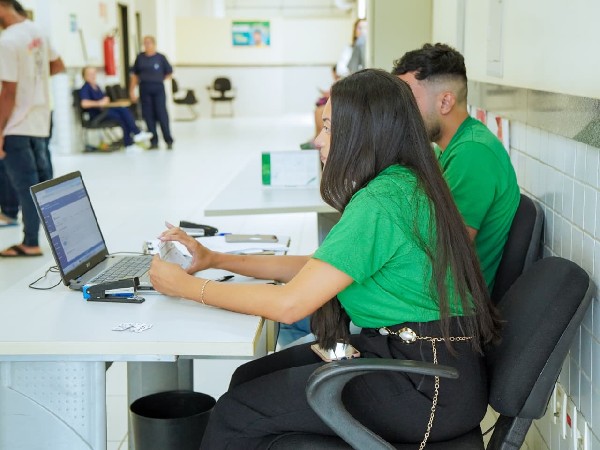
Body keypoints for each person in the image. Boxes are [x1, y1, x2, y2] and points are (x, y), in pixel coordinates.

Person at [149, 69, 501, 448]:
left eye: (329, 128)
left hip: (426, 388)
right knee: (249, 379)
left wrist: (187, 287)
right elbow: (317, 269)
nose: (318, 140)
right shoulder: (401, 183)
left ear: (363, 132)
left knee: (237, 412)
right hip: (422, 363)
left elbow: (289, 305)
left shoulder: (382, 201)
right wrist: (215, 259)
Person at [392, 43, 520, 290]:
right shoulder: (448, 148)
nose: (402, 111)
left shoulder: (473, 152)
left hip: (451, 301)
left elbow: (443, 250)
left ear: (445, 102)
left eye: (409, 100)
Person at [0, 0, 64, 257]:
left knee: (25, 186)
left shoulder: (8, 40)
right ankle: (60, 241)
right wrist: (34, 81)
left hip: (17, 124)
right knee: (43, 185)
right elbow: (58, 65)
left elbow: (8, 92)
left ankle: (30, 242)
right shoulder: (38, 31)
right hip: (41, 122)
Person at [79, 66, 152, 151]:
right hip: (98, 116)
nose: (93, 76)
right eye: (90, 74)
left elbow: (104, 98)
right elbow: (84, 103)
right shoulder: (85, 88)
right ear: (84, 76)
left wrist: (105, 100)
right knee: (122, 114)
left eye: (94, 73)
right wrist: (99, 103)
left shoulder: (96, 87)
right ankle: (134, 136)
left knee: (123, 112)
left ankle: (131, 142)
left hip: (105, 112)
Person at [129, 35, 174, 150]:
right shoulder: (140, 58)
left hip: (158, 88)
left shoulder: (161, 57)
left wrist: (158, 78)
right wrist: (132, 91)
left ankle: (168, 140)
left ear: (154, 44)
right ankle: (153, 141)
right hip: (144, 88)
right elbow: (134, 75)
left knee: (161, 114)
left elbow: (169, 72)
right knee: (148, 115)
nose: (147, 45)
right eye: (145, 43)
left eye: (149, 43)